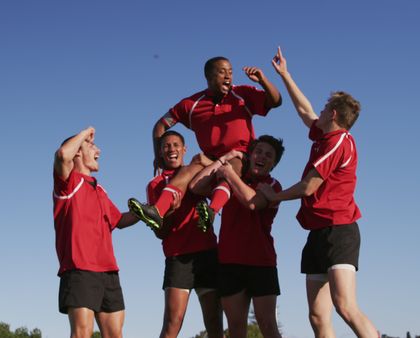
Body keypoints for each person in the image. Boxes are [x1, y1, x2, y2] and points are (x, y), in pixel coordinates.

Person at [259, 47, 379, 338]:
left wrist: (274, 197)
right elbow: (304, 111)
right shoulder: (325, 137)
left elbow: (309, 185)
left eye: (325, 108)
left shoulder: (339, 142)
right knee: (317, 314)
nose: (320, 111)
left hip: (339, 230)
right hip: (317, 232)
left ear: (334, 114)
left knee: (345, 306)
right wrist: (285, 75)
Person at [129, 56, 282, 232]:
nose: (228, 77)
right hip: (209, 159)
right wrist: (158, 156)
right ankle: (157, 211)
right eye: (222, 72)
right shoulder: (192, 105)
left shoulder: (242, 94)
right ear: (209, 77)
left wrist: (263, 80)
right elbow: (161, 125)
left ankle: (211, 211)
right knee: (187, 170)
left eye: (230, 72)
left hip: (240, 156)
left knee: (230, 168)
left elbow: (275, 101)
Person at [190, 135, 285, 338]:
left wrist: (230, 175)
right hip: (230, 261)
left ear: (274, 164)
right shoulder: (227, 184)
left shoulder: (273, 186)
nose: (262, 157)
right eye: (258, 151)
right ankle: (211, 212)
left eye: (269, 155)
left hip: (262, 262)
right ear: (249, 155)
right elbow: (196, 186)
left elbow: (252, 203)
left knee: (268, 325)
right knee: (235, 327)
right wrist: (226, 158)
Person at [53, 127, 137, 338]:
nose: (98, 150)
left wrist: (148, 211)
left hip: (109, 271)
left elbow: (120, 220)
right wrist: (85, 132)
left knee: (115, 335)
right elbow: (63, 154)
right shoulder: (67, 183)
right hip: (79, 269)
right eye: (92, 146)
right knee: (82, 333)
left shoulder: (100, 190)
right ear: (78, 152)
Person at [145, 130, 224, 338]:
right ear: (160, 152)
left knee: (215, 322)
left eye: (175, 145)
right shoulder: (155, 185)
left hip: (207, 253)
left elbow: (221, 168)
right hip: (178, 258)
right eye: (166, 146)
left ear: (184, 149)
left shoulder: (198, 172)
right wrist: (170, 212)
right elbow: (159, 233)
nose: (171, 149)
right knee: (173, 323)